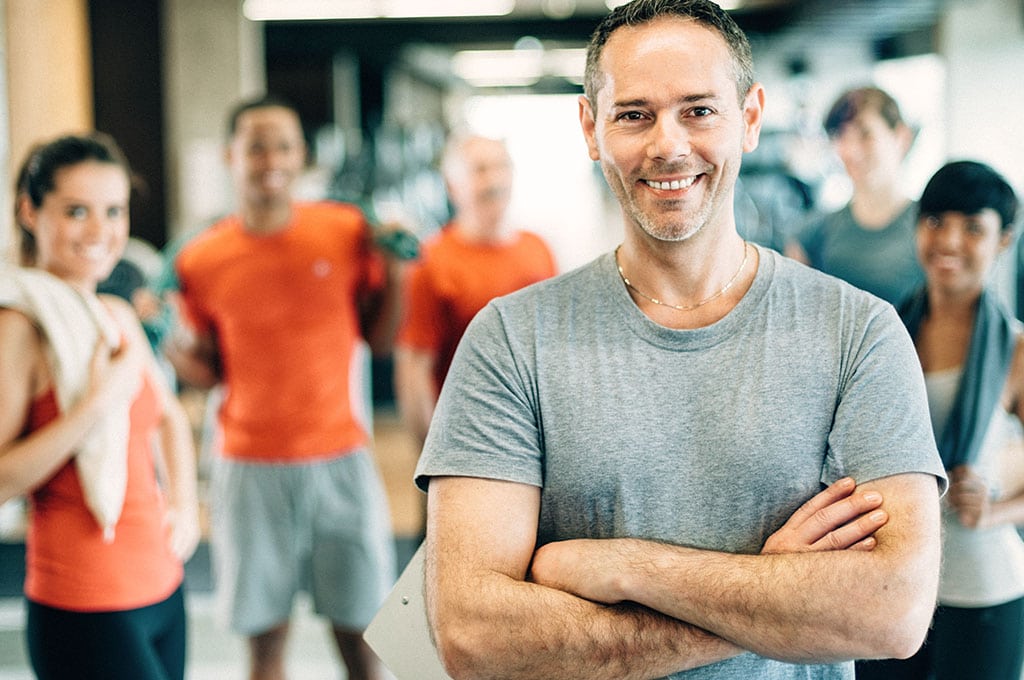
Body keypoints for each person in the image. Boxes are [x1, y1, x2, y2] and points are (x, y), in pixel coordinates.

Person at [414, 2, 947, 679]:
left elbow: (891, 611)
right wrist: (768, 594)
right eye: (635, 114)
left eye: (699, 111)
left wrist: (626, 566)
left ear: (749, 118)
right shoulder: (512, 341)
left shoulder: (857, 334)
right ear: (590, 127)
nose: (668, 144)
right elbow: (472, 633)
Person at [166, 94, 402, 680]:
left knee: (363, 639)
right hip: (248, 467)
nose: (270, 158)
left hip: (341, 459)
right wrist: (169, 347)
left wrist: (398, 270)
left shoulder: (345, 231)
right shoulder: (202, 257)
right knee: (265, 645)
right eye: (255, 145)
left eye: (283, 145)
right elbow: (210, 370)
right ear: (231, 156)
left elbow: (380, 340)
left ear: (300, 156)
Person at [0, 133, 200, 679]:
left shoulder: (116, 314)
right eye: (76, 211)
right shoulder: (19, 326)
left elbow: (169, 419)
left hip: (162, 586)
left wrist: (183, 503)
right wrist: (94, 405)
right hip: (84, 605)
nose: (99, 231)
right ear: (29, 211)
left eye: (113, 211)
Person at [857, 161, 1024, 679]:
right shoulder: (881, 335)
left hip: (983, 592)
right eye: (935, 221)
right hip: (891, 583)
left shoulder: (1016, 350)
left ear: (1003, 239)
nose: (949, 240)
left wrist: (996, 509)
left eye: (973, 227)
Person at [393, 132, 557, 452]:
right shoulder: (431, 261)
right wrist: (431, 456)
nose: (494, 180)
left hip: (533, 436)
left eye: (501, 167)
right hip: (466, 441)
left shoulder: (539, 249)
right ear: (453, 186)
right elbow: (414, 369)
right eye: (480, 170)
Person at [785, 85, 924, 306]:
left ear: (901, 136)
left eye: (865, 134)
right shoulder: (814, 233)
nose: (850, 150)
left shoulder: (929, 227)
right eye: (841, 135)